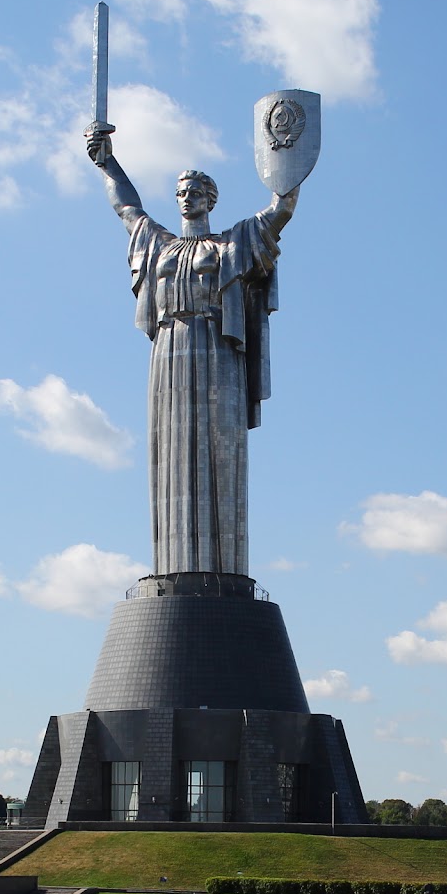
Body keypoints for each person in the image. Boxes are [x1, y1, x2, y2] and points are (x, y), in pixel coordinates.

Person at [86, 124, 298, 577]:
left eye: (197, 190)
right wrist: (108, 162)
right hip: (167, 350)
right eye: (182, 190)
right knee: (169, 455)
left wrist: (289, 163)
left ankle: (221, 570)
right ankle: (172, 569)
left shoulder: (234, 242)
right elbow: (126, 206)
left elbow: (281, 211)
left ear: (211, 199)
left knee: (219, 454)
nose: (187, 196)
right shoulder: (158, 244)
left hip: (218, 348)